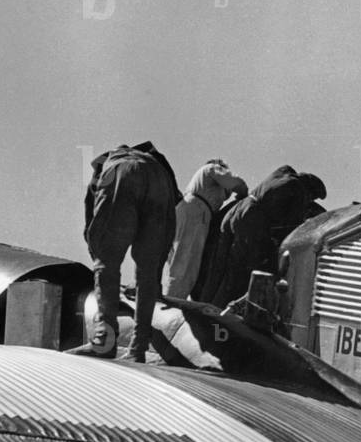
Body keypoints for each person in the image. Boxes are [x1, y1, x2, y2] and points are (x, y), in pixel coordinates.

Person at [70, 141, 179, 361]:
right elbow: (172, 212)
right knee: (147, 271)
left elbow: (92, 224)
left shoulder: (109, 162)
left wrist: (98, 254)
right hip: (161, 183)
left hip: (123, 175)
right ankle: (138, 348)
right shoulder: (159, 162)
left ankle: (104, 342)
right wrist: (155, 278)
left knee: (107, 264)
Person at [200, 166, 325, 308]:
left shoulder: (281, 176)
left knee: (219, 264)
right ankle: (220, 310)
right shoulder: (299, 190)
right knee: (241, 269)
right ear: (311, 190)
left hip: (238, 209)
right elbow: (291, 231)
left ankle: (203, 307)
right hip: (252, 218)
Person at [163, 159, 247, 299]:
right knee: (187, 260)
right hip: (196, 213)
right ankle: (174, 300)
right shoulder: (213, 168)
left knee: (177, 259)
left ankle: (170, 295)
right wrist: (243, 194)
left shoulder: (201, 185)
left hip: (185, 211)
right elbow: (235, 183)